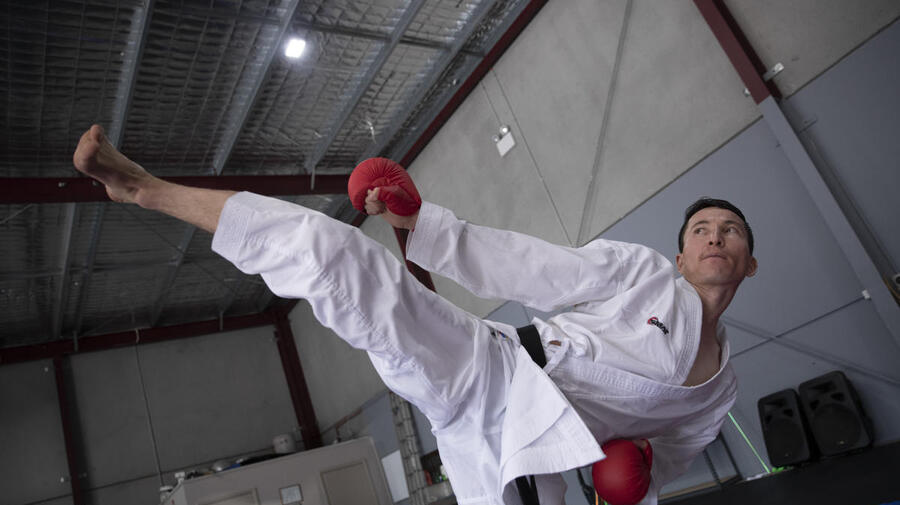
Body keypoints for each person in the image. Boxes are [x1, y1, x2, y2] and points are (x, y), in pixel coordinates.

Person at [72, 124, 757, 505]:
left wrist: (640, 472)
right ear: (679, 255)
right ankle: (147, 189)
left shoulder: (719, 387)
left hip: (536, 449)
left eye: (730, 230)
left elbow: (673, 453)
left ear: (749, 263)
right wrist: (419, 222)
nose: (714, 236)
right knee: (333, 254)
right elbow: (536, 267)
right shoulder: (644, 273)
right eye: (701, 228)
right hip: (493, 366)